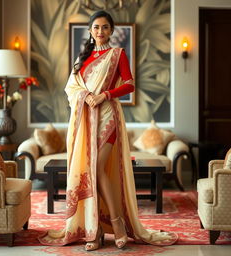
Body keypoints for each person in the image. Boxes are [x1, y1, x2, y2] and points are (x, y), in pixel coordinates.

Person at [39, 10, 178, 250]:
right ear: (90, 31)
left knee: (97, 168)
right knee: (90, 170)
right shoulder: (81, 59)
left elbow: (130, 84)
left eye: (105, 27)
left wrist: (105, 95)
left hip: (107, 117)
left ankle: (118, 223)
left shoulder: (118, 54)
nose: (100, 32)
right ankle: (95, 230)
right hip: (85, 120)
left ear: (111, 31)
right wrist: (86, 95)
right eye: (96, 27)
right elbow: (71, 90)